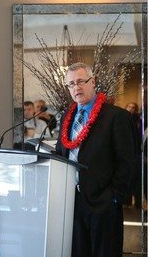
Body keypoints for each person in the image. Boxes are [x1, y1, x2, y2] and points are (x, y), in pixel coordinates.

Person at [55, 62, 136, 257]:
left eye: (81, 81)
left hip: (103, 203)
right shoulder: (67, 116)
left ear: (93, 82)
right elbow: (60, 154)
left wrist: (114, 197)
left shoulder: (116, 117)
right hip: (72, 202)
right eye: (71, 84)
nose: (77, 88)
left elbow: (127, 161)